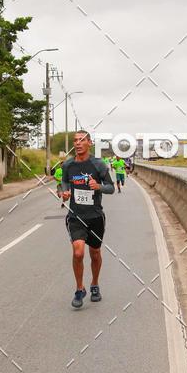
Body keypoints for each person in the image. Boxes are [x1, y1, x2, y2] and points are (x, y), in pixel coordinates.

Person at [60, 131, 115, 308]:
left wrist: (98, 186)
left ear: (89, 143)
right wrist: (64, 192)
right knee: (78, 253)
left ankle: (94, 284)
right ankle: (79, 289)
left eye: (81, 140)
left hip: (95, 217)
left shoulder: (98, 164)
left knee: (95, 253)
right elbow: (63, 183)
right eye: (75, 140)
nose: (77, 143)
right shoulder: (68, 165)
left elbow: (111, 188)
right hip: (76, 216)